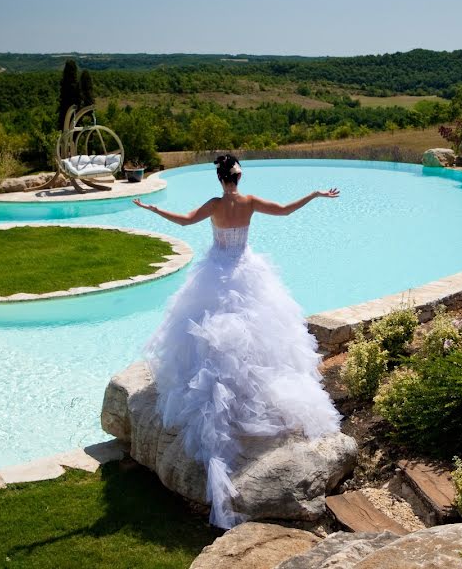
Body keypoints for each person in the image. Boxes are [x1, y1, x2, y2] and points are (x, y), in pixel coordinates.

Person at [132, 154, 343, 528]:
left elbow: (183, 220)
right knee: (257, 338)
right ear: (238, 177)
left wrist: (152, 209)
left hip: (216, 271)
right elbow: (285, 210)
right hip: (247, 272)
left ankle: (221, 398)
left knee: (211, 337)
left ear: (219, 178)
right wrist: (313, 194)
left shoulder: (215, 205)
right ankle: (252, 395)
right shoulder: (249, 202)